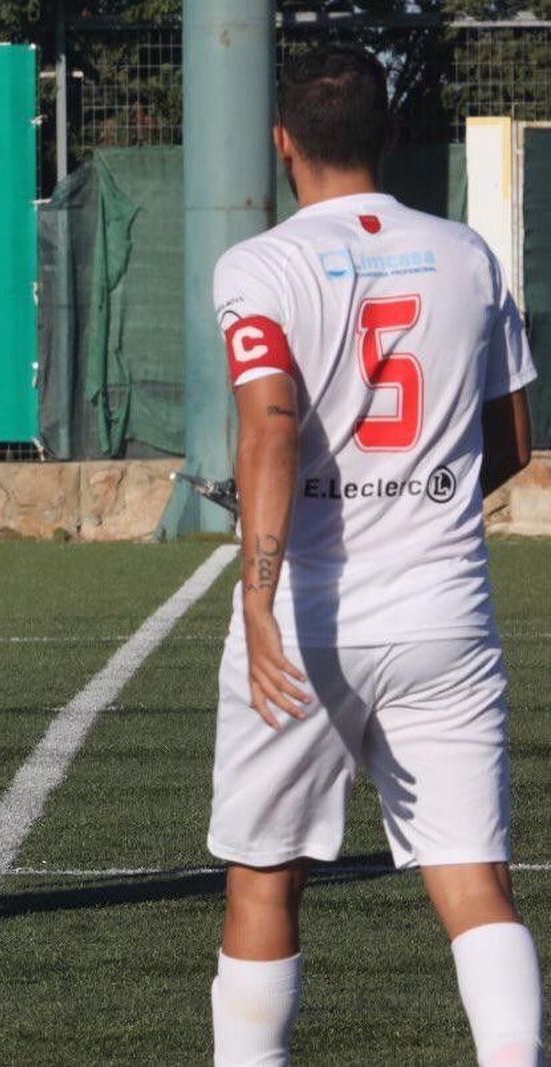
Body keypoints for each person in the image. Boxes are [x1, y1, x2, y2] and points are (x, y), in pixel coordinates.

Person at [208, 47, 541, 1066]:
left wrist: (258, 597)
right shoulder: (467, 254)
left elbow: (269, 428)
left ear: (280, 142)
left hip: (309, 618)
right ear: (388, 136)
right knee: (473, 878)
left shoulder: (258, 262)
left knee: (265, 876)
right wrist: (419, 496)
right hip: (445, 613)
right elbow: (514, 440)